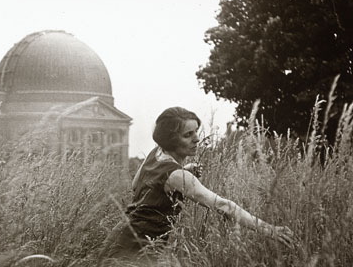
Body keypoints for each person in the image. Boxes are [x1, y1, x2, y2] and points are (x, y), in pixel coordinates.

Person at [103, 106, 295, 258]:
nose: (197, 139)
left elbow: (137, 185)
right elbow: (222, 205)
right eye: (188, 135)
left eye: (196, 131)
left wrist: (179, 173)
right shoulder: (177, 176)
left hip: (122, 240)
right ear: (170, 140)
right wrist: (269, 229)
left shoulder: (157, 152)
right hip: (137, 251)